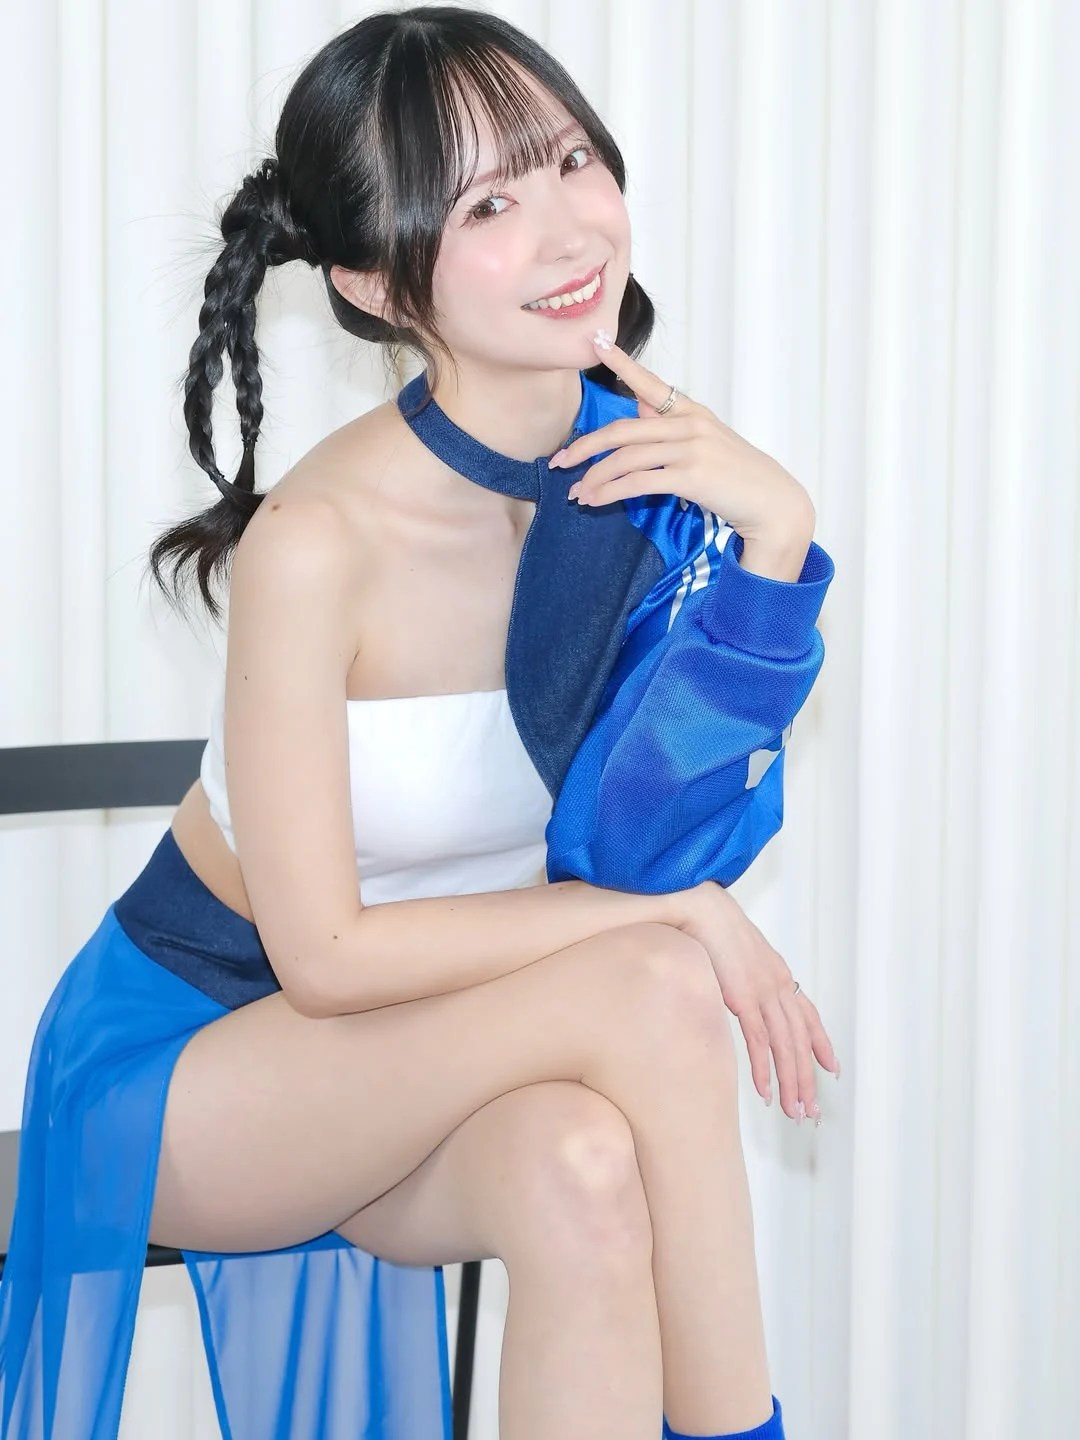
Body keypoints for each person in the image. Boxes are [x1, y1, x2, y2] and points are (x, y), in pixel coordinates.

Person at [0, 6, 839, 1438]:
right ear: (378, 282)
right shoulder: (319, 541)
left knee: (584, 1166)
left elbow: (651, 843)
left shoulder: (647, 481)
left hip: (439, 1041)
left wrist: (774, 543)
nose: (568, 228)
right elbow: (324, 960)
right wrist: (673, 917)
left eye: (570, 161)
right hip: (201, 1058)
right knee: (651, 979)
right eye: (490, 206)